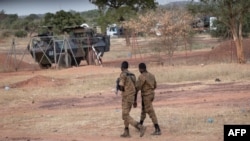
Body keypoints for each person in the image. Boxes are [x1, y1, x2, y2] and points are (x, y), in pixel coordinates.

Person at [117, 61, 146, 138]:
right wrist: (135, 100)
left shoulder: (123, 74)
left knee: (125, 115)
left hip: (126, 97)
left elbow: (122, 87)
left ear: (122, 67)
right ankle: (126, 131)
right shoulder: (133, 75)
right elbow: (135, 88)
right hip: (132, 97)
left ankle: (139, 126)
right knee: (126, 114)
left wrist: (118, 86)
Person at [134, 62, 161, 135]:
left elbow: (137, 88)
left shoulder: (141, 76)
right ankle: (140, 125)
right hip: (151, 95)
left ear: (140, 69)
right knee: (143, 110)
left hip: (146, 96)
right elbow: (155, 85)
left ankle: (157, 129)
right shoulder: (152, 75)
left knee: (150, 112)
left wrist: (135, 100)